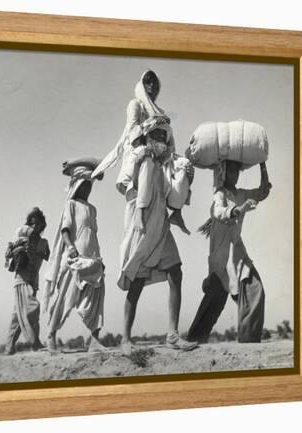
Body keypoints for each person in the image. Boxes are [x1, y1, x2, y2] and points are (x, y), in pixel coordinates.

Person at [92, 70, 197, 355]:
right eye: (147, 81)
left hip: (160, 221)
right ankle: (125, 338)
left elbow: (173, 195)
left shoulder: (164, 164)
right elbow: (126, 170)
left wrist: (184, 173)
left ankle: (173, 334)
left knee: (175, 270)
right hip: (141, 218)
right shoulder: (141, 152)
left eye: (155, 82)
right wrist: (138, 213)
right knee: (137, 278)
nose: (151, 86)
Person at [187, 161, 271, 343]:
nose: (235, 174)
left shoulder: (241, 194)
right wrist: (240, 210)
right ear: (223, 173)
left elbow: (263, 192)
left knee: (255, 290)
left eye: (237, 170)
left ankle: (249, 341)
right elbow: (219, 211)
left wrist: (262, 165)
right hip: (221, 257)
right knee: (214, 301)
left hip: (237, 254)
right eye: (231, 170)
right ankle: (194, 341)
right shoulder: (220, 194)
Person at [43, 160, 107, 354]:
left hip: (93, 258)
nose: (87, 188)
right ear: (77, 185)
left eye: (89, 185)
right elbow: (65, 230)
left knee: (96, 299)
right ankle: (51, 336)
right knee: (64, 299)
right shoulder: (70, 204)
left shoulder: (92, 209)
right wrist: (70, 248)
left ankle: (94, 340)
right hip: (74, 259)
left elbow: (91, 234)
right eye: (84, 184)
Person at [4, 208, 50, 355]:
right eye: (32, 224)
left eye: (38, 224)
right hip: (22, 278)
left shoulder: (44, 242)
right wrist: (19, 248)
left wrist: (39, 253)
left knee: (18, 315)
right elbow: (9, 253)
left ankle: (9, 346)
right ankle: (34, 342)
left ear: (43, 225)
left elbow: (52, 257)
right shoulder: (22, 237)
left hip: (33, 280)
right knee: (33, 307)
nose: (35, 227)